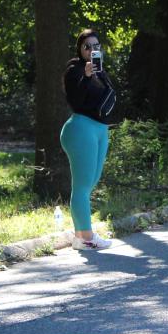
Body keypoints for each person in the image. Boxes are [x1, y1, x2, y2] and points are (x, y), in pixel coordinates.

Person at [61, 29, 117, 250]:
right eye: (87, 47)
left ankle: (80, 236)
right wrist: (85, 77)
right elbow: (75, 101)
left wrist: (96, 76)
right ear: (80, 49)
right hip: (81, 129)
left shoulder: (100, 71)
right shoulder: (74, 70)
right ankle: (87, 237)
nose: (92, 50)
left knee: (89, 184)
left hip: (100, 130)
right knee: (82, 187)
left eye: (96, 46)